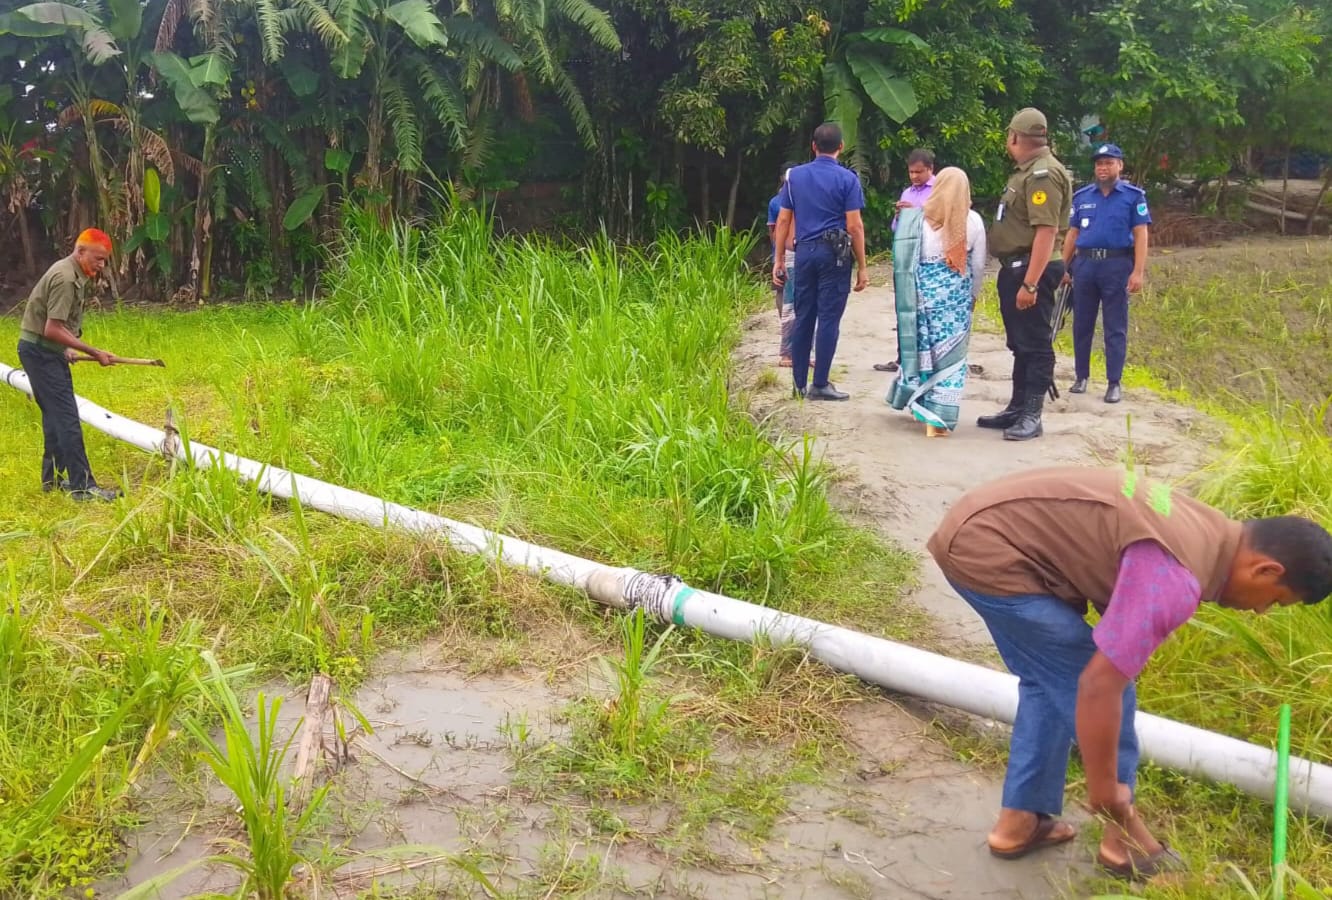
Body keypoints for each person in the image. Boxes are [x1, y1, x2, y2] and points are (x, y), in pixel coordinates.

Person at [927, 466, 1332, 879]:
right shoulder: (1175, 577)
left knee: (1050, 680)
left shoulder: (1210, 528)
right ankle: (1123, 839)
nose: (1261, 611)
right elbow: (1099, 685)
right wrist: (1106, 789)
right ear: (1266, 571)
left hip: (989, 527)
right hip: (989, 549)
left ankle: (1019, 822)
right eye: (1276, 602)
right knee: (1103, 685)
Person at [980, 108, 1072, 441]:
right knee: (1020, 343)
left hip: (1033, 268)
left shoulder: (1042, 175)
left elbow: (1046, 231)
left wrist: (1031, 283)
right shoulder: (1027, 172)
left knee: (1035, 343)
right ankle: (1017, 408)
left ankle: (1033, 414)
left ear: (1015, 136)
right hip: (1017, 268)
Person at [17, 228, 122, 502]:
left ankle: (52, 481)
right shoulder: (65, 278)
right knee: (67, 419)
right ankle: (83, 487)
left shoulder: (71, 272)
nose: (101, 266)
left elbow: (52, 328)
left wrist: (63, 349)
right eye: (98, 259)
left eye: (104, 260)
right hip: (40, 353)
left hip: (41, 350)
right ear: (81, 251)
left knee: (55, 418)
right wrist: (94, 351)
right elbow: (52, 328)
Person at [884, 167, 986, 436]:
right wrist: (972, 297)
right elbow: (977, 266)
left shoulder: (915, 221)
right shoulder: (973, 221)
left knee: (923, 351)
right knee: (951, 358)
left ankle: (921, 405)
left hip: (921, 299)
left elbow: (907, 263)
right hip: (955, 303)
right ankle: (938, 420)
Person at [771, 123, 868, 401]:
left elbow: (784, 220)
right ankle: (821, 383)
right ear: (841, 146)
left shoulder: (794, 177)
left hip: (804, 253)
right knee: (828, 318)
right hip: (834, 256)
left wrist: (778, 259)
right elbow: (855, 225)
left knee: (804, 316)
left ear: (813, 146)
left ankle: (798, 384)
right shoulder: (848, 179)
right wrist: (862, 266)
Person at [1061, 143, 1151, 404]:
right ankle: (1081, 376)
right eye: (1099, 163)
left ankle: (1114, 382)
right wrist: (1063, 267)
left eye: (1109, 163)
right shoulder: (1082, 197)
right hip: (1085, 265)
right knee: (1082, 324)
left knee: (1115, 326)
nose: (1103, 168)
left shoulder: (1133, 197)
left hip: (1116, 265)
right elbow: (1073, 234)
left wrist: (1138, 272)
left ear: (1120, 166)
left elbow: (1141, 234)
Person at [877, 148, 937, 374]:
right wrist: (899, 216)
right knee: (904, 308)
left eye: (919, 172)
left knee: (926, 310)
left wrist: (915, 213)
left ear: (930, 169)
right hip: (906, 257)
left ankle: (927, 358)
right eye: (911, 172)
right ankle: (902, 358)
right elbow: (896, 228)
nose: (914, 177)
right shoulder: (907, 192)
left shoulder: (940, 190)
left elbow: (939, 221)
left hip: (929, 257)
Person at [767, 161, 802, 367]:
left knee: (792, 299)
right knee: (784, 296)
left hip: (794, 252)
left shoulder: (799, 197)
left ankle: (793, 346)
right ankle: (789, 343)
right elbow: (774, 230)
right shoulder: (776, 202)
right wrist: (778, 254)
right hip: (786, 253)